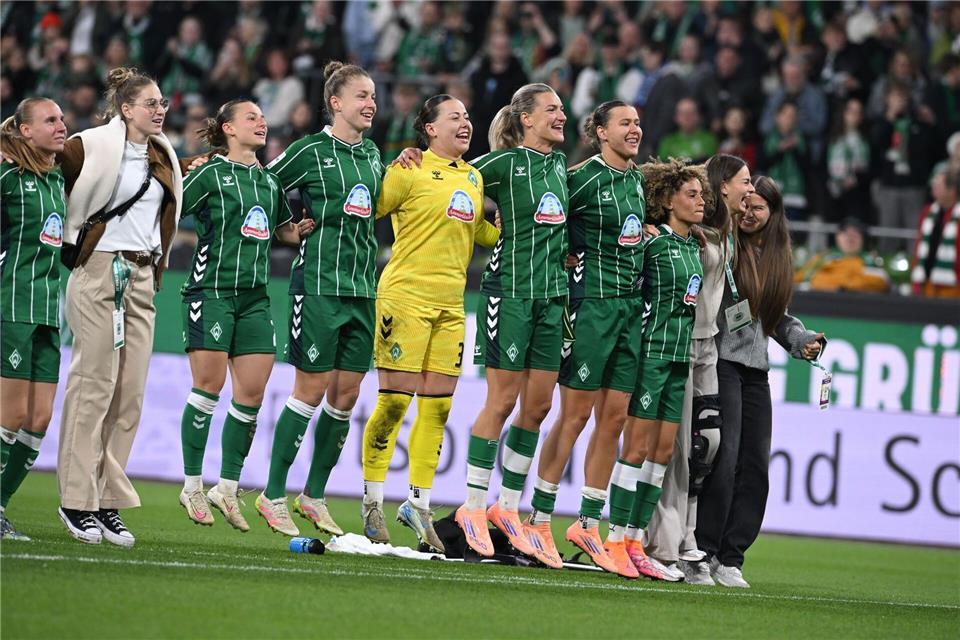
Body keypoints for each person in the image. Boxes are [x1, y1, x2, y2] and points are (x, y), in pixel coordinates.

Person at [358, 94, 499, 551]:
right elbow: (370, 207)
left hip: (452, 306)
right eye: (454, 116)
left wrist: (512, 228)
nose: (465, 122)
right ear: (429, 129)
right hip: (405, 298)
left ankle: (418, 504)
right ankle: (372, 500)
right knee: (395, 403)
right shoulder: (409, 169)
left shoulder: (474, 177)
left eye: (467, 116)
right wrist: (386, 164)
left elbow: (481, 234)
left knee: (437, 409)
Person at [57, 67, 183, 546]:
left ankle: (106, 500)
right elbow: (37, 161)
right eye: (151, 103)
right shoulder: (88, 145)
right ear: (126, 109)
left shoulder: (162, 154)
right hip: (98, 269)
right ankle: (75, 499)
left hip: (143, 274)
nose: (160, 110)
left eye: (163, 103)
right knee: (94, 384)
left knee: (129, 392)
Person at [257, 61, 382, 538]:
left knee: (346, 396)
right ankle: (272, 495)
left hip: (362, 289)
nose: (370, 104)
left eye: (372, 96)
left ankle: (313, 495)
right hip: (319, 286)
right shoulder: (309, 150)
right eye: (361, 96)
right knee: (308, 391)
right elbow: (264, 183)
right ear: (336, 102)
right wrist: (286, 226)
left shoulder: (373, 155)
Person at [176, 100, 312, 531]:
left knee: (251, 395)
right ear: (228, 128)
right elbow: (170, 209)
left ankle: (227, 487)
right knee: (209, 387)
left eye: (262, 117)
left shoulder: (270, 183)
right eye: (251, 117)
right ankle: (192, 484)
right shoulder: (209, 174)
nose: (261, 122)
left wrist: (296, 232)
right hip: (211, 291)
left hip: (254, 298)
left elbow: (278, 229)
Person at [524, 100, 645, 576]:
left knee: (613, 417)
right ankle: (538, 515)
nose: (635, 129)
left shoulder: (637, 180)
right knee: (573, 415)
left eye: (637, 123)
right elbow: (541, 218)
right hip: (589, 307)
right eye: (625, 123)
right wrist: (562, 259)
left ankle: (588, 523)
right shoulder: (581, 178)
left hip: (629, 310)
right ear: (599, 132)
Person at [455, 83, 569, 560]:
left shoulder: (564, 168)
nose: (561, 115)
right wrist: (411, 161)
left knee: (538, 407)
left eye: (562, 108)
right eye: (551, 109)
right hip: (511, 293)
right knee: (502, 400)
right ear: (525, 118)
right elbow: (452, 176)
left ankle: (507, 506)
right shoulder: (500, 165)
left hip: (552, 299)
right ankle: (472, 506)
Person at [696, 175, 824, 588]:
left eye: (759, 207)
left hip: (756, 371)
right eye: (745, 203)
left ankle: (731, 558)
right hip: (722, 360)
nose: (749, 212)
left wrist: (801, 340)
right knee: (724, 458)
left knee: (755, 464)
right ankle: (706, 549)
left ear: (773, 214)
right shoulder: (725, 244)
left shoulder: (778, 256)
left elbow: (776, 317)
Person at [644, 153, 755, 584]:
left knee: (706, 447)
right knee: (677, 452)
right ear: (722, 185)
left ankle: (687, 538)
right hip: (679, 344)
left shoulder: (724, 236)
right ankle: (667, 545)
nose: (750, 188)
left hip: (707, 347)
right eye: (744, 181)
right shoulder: (696, 235)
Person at [606, 158, 705, 580]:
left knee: (663, 453)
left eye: (702, 195)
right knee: (637, 449)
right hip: (649, 355)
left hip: (680, 358)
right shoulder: (653, 243)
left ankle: (635, 541)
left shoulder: (692, 246)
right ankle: (614, 537)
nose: (701, 202)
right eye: (691, 195)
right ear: (667, 201)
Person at [0, 97, 67, 541]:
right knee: (10, 414)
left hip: (47, 310)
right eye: (50, 120)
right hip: (11, 305)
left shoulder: (59, 178)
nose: (62, 125)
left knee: (39, 419)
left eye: (62, 118)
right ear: (25, 131)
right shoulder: (6, 177)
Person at [795, 217, 890, 293]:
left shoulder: (870, 260)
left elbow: (880, 283)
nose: (850, 238)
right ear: (837, 237)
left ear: (863, 239)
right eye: (846, 233)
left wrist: (844, 287)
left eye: (855, 234)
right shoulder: (823, 258)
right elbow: (802, 279)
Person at [911, 167, 960, 298]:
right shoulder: (928, 212)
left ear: (952, 190)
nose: (934, 188)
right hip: (926, 284)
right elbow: (919, 246)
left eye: (938, 185)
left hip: (952, 287)